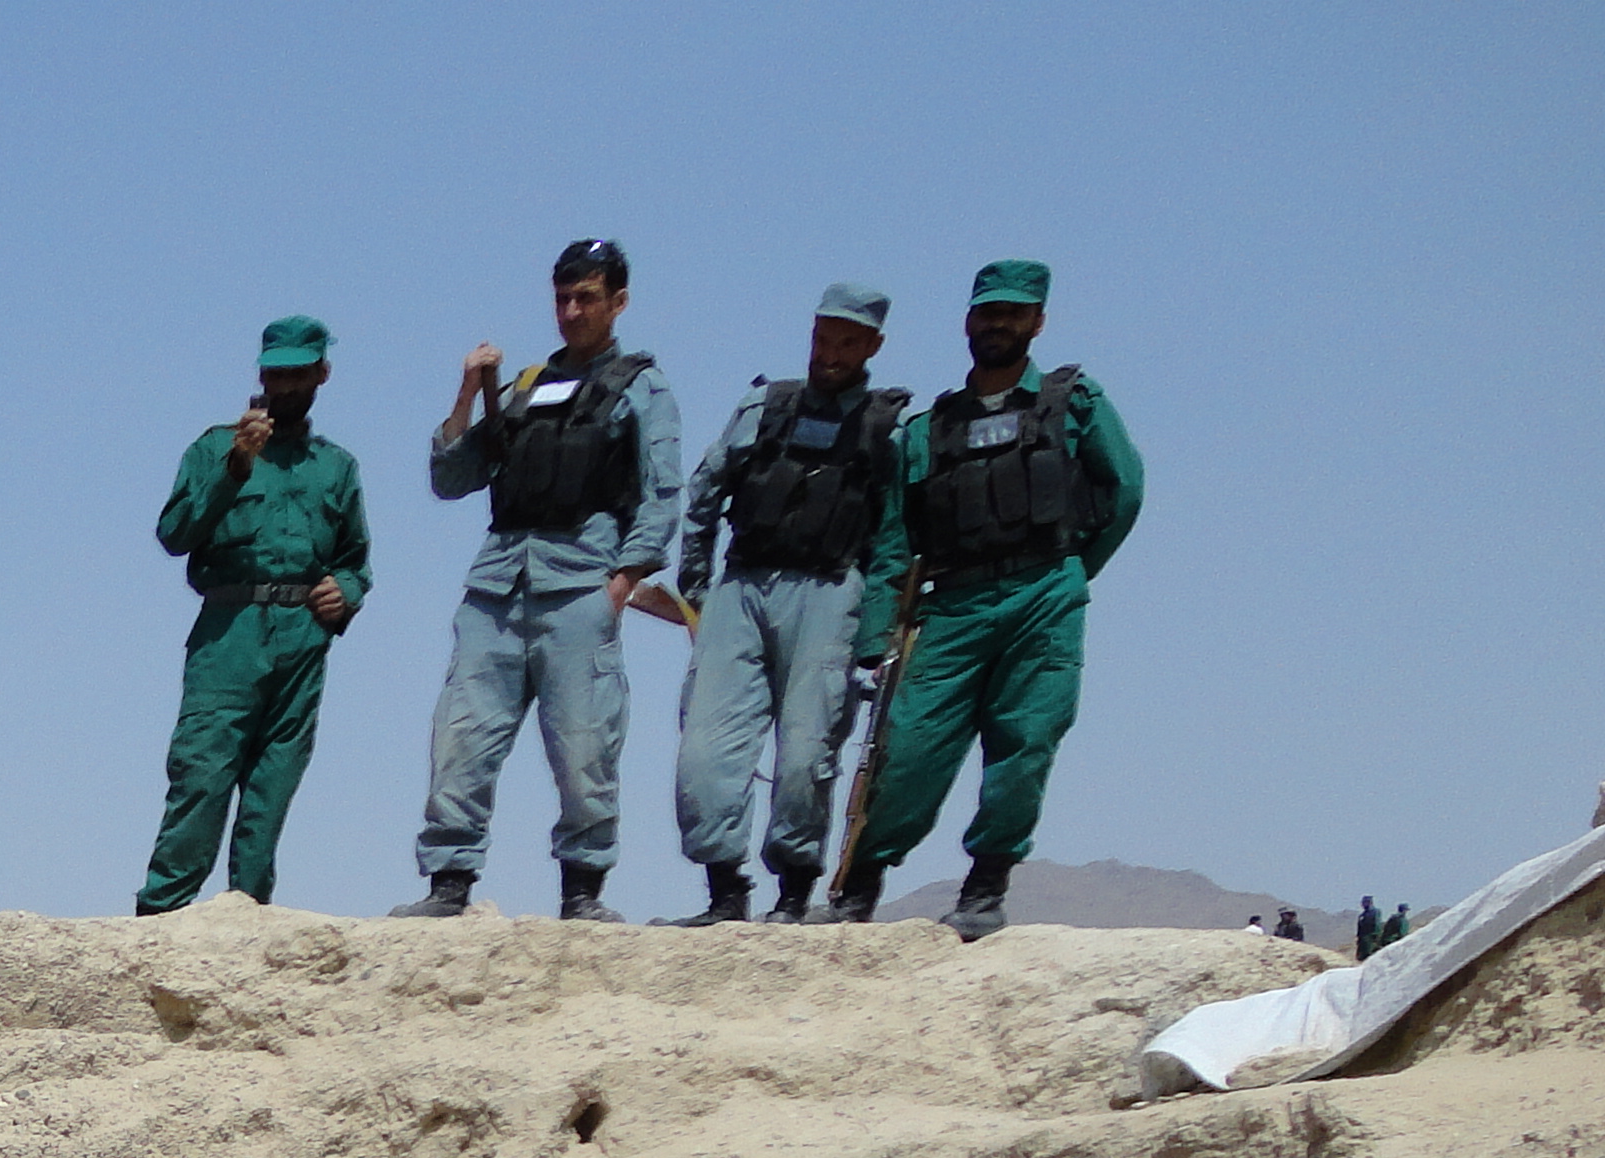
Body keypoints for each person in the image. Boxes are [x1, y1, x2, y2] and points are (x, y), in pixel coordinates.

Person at [827, 261, 1143, 939]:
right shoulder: (927, 429)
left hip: (1044, 595)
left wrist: (1073, 574)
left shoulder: (1073, 403)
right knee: (907, 751)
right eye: (987, 312)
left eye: (1013, 313)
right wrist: (877, 634)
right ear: (968, 321)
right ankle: (860, 884)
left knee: (1026, 742)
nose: (998, 324)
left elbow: (1125, 490)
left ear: (1038, 323)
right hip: (952, 606)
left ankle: (985, 886)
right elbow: (893, 542)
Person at [393, 240, 684, 923]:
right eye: (563, 298)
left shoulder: (642, 384)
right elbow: (452, 477)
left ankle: (583, 891)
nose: (572, 311)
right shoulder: (524, 386)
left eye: (587, 298)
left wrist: (626, 576)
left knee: (586, 747)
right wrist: (468, 392)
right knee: (461, 737)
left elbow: (663, 490)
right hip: (497, 586)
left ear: (619, 302)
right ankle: (449, 881)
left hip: (581, 580)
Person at [664, 284, 906, 925]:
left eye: (847, 341)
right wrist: (695, 588)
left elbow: (895, 534)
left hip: (830, 592)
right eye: (823, 337)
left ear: (873, 346)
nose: (831, 352)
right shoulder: (765, 406)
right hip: (741, 588)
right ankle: (724, 895)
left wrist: (878, 628)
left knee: (807, 754)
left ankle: (795, 897)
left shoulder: (888, 426)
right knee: (704, 755)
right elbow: (708, 484)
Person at [139, 314, 367, 915]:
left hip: (302, 639)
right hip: (230, 631)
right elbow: (174, 532)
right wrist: (236, 465)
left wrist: (345, 592)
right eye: (275, 374)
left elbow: (355, 559)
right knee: (202, 772)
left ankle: (246, 917)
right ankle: (161, 914)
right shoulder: (215, 447)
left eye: (299, 374)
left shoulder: (336, 466)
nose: (285, 387)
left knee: (274, 782)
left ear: (322, 374)